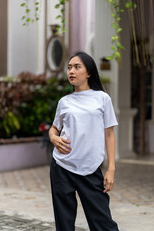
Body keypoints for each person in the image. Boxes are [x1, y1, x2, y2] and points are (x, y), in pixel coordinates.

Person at [49, 51, 119, 231]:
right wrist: (53, 137)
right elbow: (55, 128)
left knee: (103, 223)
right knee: (64, 224)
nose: (71, 71)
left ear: (88, 73)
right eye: (69, 67)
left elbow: (109, 134)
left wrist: (111, 169)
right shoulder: (64, 101)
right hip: (62, 166)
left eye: (77, 67)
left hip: (90, 168)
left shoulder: (102, 99)